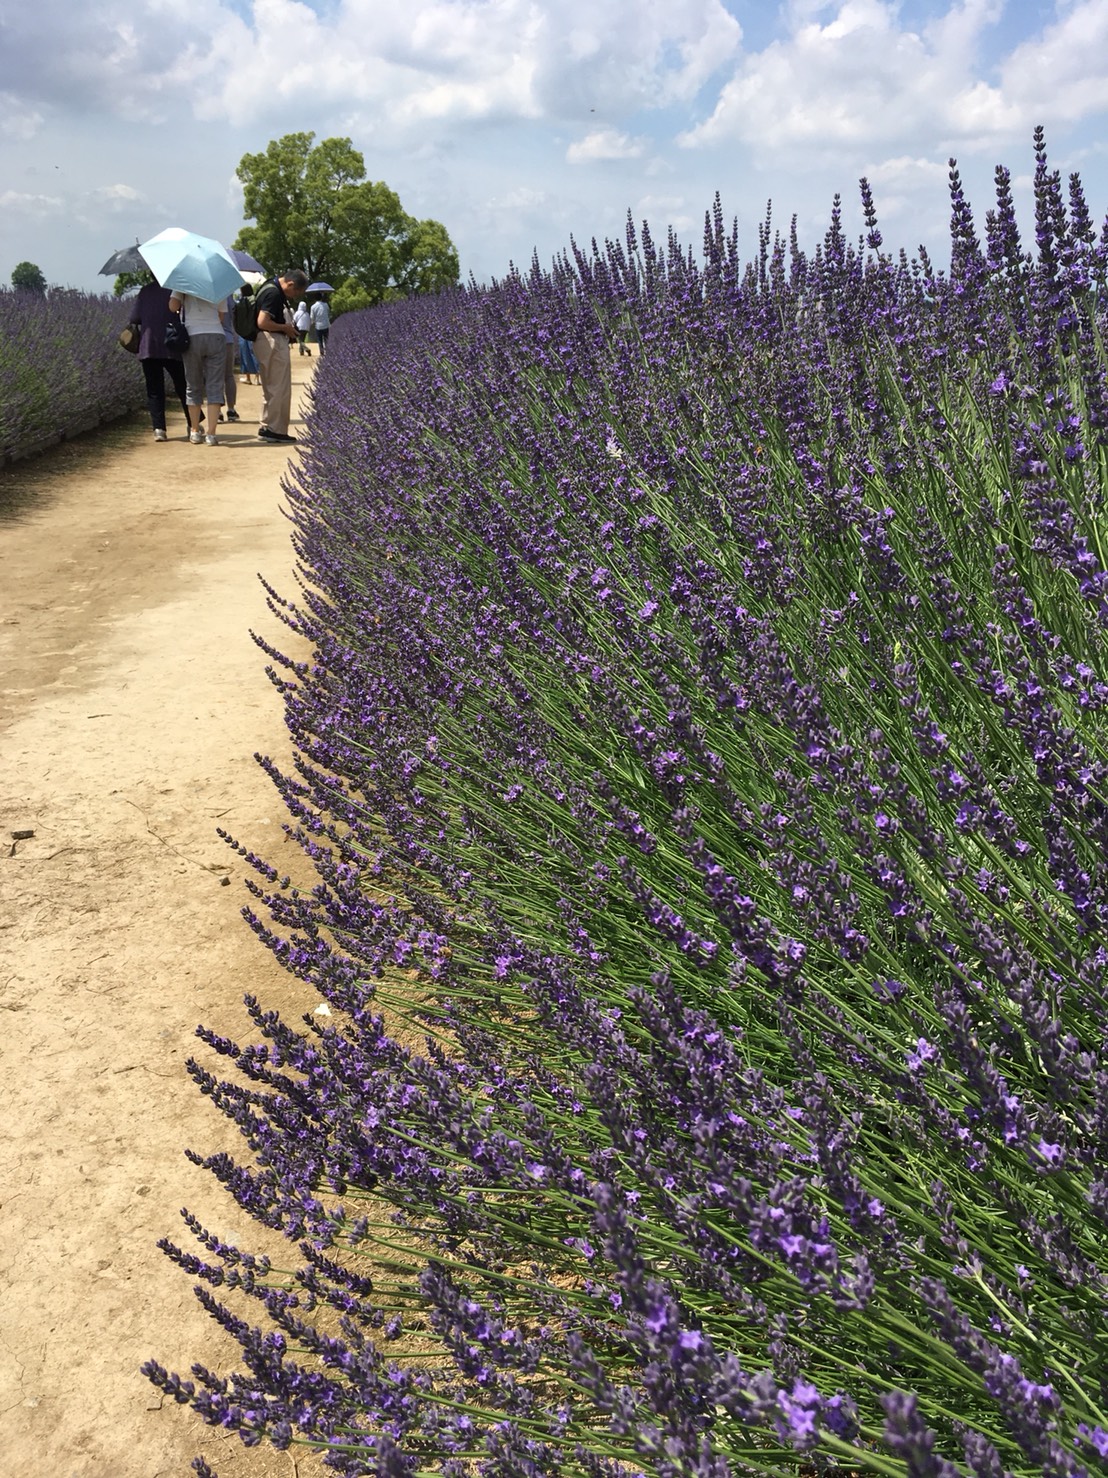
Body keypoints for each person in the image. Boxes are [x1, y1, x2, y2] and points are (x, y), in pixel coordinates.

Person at [128, 278, 189, 442]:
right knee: (183, 385)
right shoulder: (175, 289)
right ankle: (193, 423)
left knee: (154, 389)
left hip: (149, 346)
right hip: (172, 343)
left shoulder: (145, 291)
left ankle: (159, 428)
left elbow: (134, 317)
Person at [167, 288, 229, 445]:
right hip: (216, 335)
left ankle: (194, 430)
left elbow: (172, 307)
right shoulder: (218, 283)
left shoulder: (183, 282)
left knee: (193, 384)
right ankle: (211, 434)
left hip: (192, 335)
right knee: (215, 385)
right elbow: (221, 316)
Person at [253, 269, 308, 443]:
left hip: (262, 341)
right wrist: (285, 328)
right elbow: (262, 321)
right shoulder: (274, 293)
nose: (295, 297)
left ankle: (266, 424)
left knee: (270, 386)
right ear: (290, 284)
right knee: (279, 387)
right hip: (272, 341)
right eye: (296, 292)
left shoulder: (268, 285)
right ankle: (275, 429)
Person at [219, 294, 241, 423]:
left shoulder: (207, 292)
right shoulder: (228, 296)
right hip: (228, 337)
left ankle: (218, 411)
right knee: (229, 376)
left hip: (212, 337)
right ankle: (231, 409)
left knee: (215, 377)